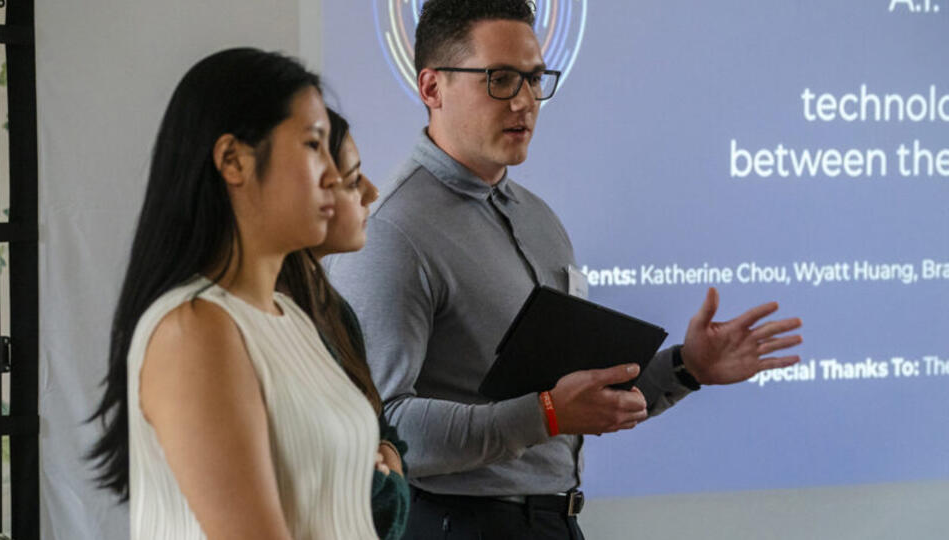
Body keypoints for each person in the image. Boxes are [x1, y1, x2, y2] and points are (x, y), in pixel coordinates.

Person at [328, 1, 804, 538]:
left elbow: (575, 399)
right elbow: (381, 426)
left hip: (554, 520)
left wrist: (685, 368)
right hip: (455, 524)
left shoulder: (537, 217)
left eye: (534, 79)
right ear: (432, 88)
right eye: (501, 79)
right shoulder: (391, 233)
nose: (526, 101)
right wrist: (547, 414)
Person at [88, 48, 382, 539]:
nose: (334, 176)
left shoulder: (289, 314)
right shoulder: (194, 329)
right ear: (232, 160)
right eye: (313, 145)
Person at [280, 108, 410, 540]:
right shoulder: (273, 326)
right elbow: (373, 505)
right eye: (354, 181)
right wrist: (384, 483)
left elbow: (382, 433)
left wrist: (384, 458)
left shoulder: (334, 309)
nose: (372, 192)